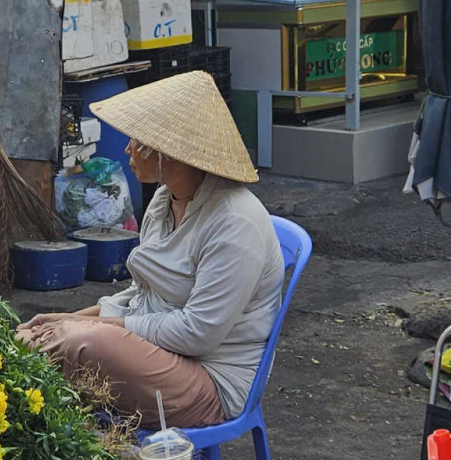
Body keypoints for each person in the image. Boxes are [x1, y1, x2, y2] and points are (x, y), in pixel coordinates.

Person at [15, 71, 283, 428]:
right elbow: (142, 295)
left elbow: (197, 333)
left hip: (210, 381)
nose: (127, 149)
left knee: (80, 345)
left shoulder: (235, 222)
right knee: (27, 336)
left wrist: (100, 329)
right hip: (161, 354)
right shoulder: (164, 200)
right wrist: (73, 318)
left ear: (171, 153)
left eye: (137, 140)